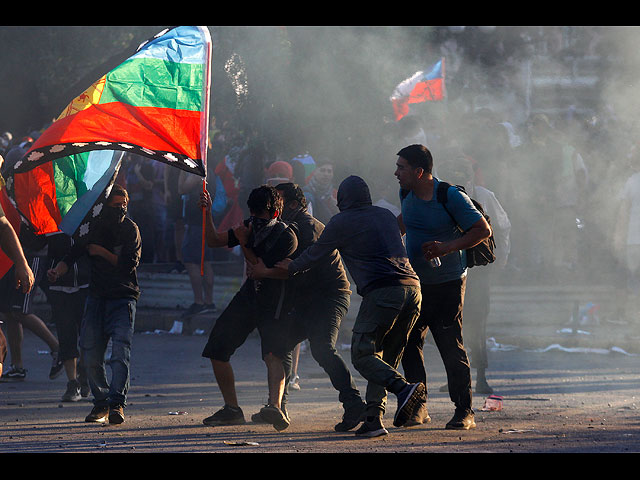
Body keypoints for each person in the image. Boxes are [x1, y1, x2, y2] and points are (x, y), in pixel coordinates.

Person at [272, 175, 425, 438]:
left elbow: (317, 252)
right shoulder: (386, 215)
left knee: (363, 355)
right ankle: (374, 419)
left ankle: (403, 389)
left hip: (382, 291)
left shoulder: (341, 221)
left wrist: (291, 266)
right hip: (413, 290)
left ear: (343, 200)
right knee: (385, 358)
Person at [248, 182, 366, 432]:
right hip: (308, 298)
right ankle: (278, 408)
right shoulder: (287, 227)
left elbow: (301, 265)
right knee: (279, 347)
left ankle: (354, 403)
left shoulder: (307, 227)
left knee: (322, 348)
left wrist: (267, 272)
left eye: (278, 203)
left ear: (292, 205)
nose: (274, 209)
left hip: (330, 295)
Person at [395, 144, 491, 431]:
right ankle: (418, 407)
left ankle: (465, 411)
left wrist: (445, 248)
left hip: (448, 283)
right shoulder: (406, 193)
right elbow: (405, 222)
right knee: (410, 343)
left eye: (402, 167)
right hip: (416, 283)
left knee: (450, 345)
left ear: (419, 171)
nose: (396, 173)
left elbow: (482, 230)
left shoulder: (450, 195)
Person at [198, 185, 298, 432]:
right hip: (249, 298)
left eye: (261, 215)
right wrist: (206, 212)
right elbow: (213, 240)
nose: (256, 221)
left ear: (275, 213)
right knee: (217, 348)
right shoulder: (249, 226)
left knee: (273, 354)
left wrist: (244, 243)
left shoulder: (286, 237)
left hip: (276, 302)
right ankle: (232, 409)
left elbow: (257, 268)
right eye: (252, 214)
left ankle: (274, 407)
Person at [47, 184, 141, 425]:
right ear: (104, 207)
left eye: (124, 205)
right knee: (89, 354)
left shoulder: (131, 230)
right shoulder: (93, 227)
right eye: (115, 206)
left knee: (120, 354)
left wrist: (100, 252)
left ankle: (117, 403)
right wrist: (58, 271)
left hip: (123, 298)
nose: (120, 209)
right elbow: (73, 254)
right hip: (97, 297)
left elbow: (127, 265)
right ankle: (101, 404)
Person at [437, 156, 511, 394]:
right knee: (452, 325)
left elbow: (502, 226)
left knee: (474, 325)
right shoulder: (439, 196)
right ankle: (459, 378)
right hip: (450, 269)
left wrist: (501, 258)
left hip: (475, 270)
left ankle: (479, 377)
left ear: (470, 175)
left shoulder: (483, 195)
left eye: (463, 172)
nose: (459, 177)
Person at [45, 232, 91, 401]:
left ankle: (85, 370)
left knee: (88, 335)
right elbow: (37, 245)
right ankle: (73, 383)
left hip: (85, 284)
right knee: (66, 336)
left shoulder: (88, 218)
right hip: (58, 286)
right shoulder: (50, 220)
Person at [303, 158, 339, 225]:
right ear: (315, 172)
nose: (326, 174)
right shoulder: (304, 193)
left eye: (329, 171)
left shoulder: (336, 195)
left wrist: (337, 209)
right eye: (322, 170)